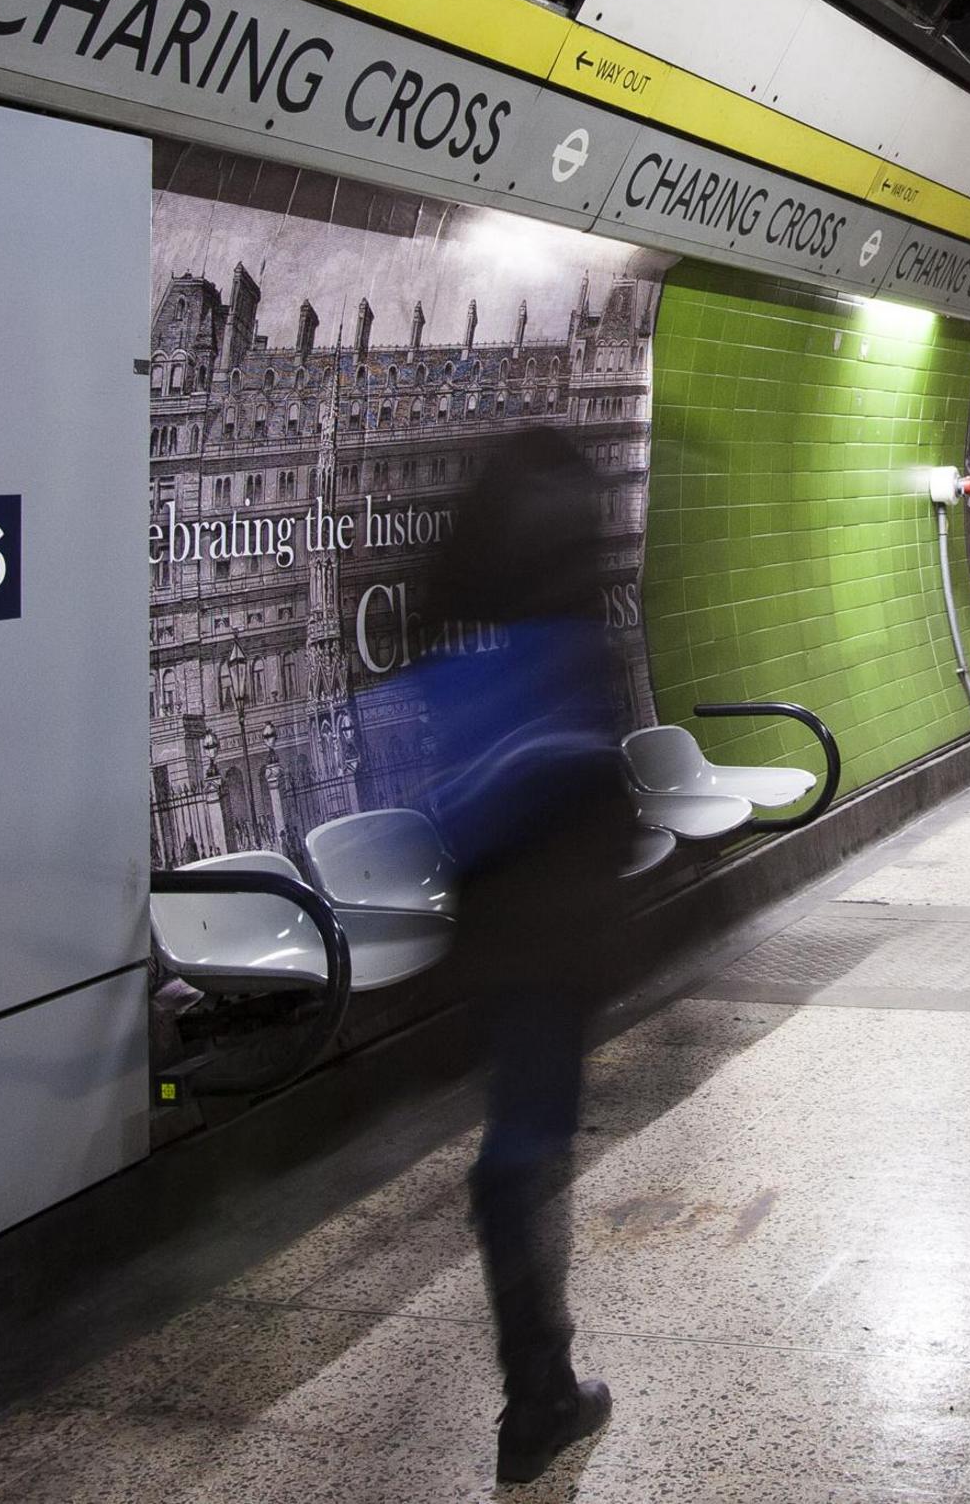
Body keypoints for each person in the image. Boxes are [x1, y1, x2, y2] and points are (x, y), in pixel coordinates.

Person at [371, 426, 634, 1482]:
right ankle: (540, 1396)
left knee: (519, 1145)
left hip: (486, 919)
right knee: (523, 1154)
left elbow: (437, 770)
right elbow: (593, 786)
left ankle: (543, 1381)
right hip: (555, 928)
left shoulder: (456, 613)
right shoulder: (568, 622)